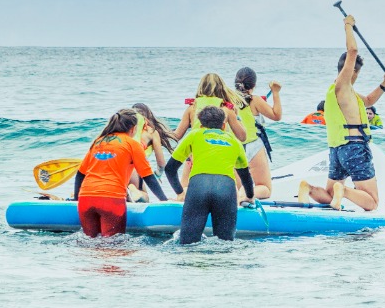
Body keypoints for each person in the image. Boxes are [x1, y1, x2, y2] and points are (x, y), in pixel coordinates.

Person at [302, 14, 385, 212]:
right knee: (372, 202)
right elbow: (352, 50)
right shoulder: (342, 86)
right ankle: (343, 190)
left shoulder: (341, 92)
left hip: (337, 150)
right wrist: (348, 25)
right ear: (353, 71)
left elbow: (368, 101)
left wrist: (384, 84)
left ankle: (308, 188)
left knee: (329, 195)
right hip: (355, 148)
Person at [162, 106, 257, 245]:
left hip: (198, 188)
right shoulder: (234, 141)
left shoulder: (194, 135)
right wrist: (249, 196)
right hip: (226, 189)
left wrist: (180, 192)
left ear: (201, 125)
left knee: (188, 244)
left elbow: (170, 169)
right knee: (225, 245)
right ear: (223, 125)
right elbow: (245, 175)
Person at [72, 109, 163, 237]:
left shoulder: (98, 141)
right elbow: (148, 176)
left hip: (86, 199)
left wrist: (76, 199)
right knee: (114, 244)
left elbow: (80, 174)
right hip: (111, 200)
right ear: (133, 128)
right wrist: (163, 200)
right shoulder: (132, 144)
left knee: (89, 242)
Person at [176, 74, 258, 194]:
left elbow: (177, 135)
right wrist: (236, 117)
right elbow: (242, 137)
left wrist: (159, 133)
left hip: (194, 159)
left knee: (184, 192)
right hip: (220, 158)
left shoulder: (192, 107)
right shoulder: (226, 109)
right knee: (237, 191)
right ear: (222, 88)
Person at [234, 67, 284, 159]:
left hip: (234, 145)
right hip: (252, 145)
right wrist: (275, 92)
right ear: (254, 85)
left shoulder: (228, 98)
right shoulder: (255, 100)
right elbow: (277, 116)